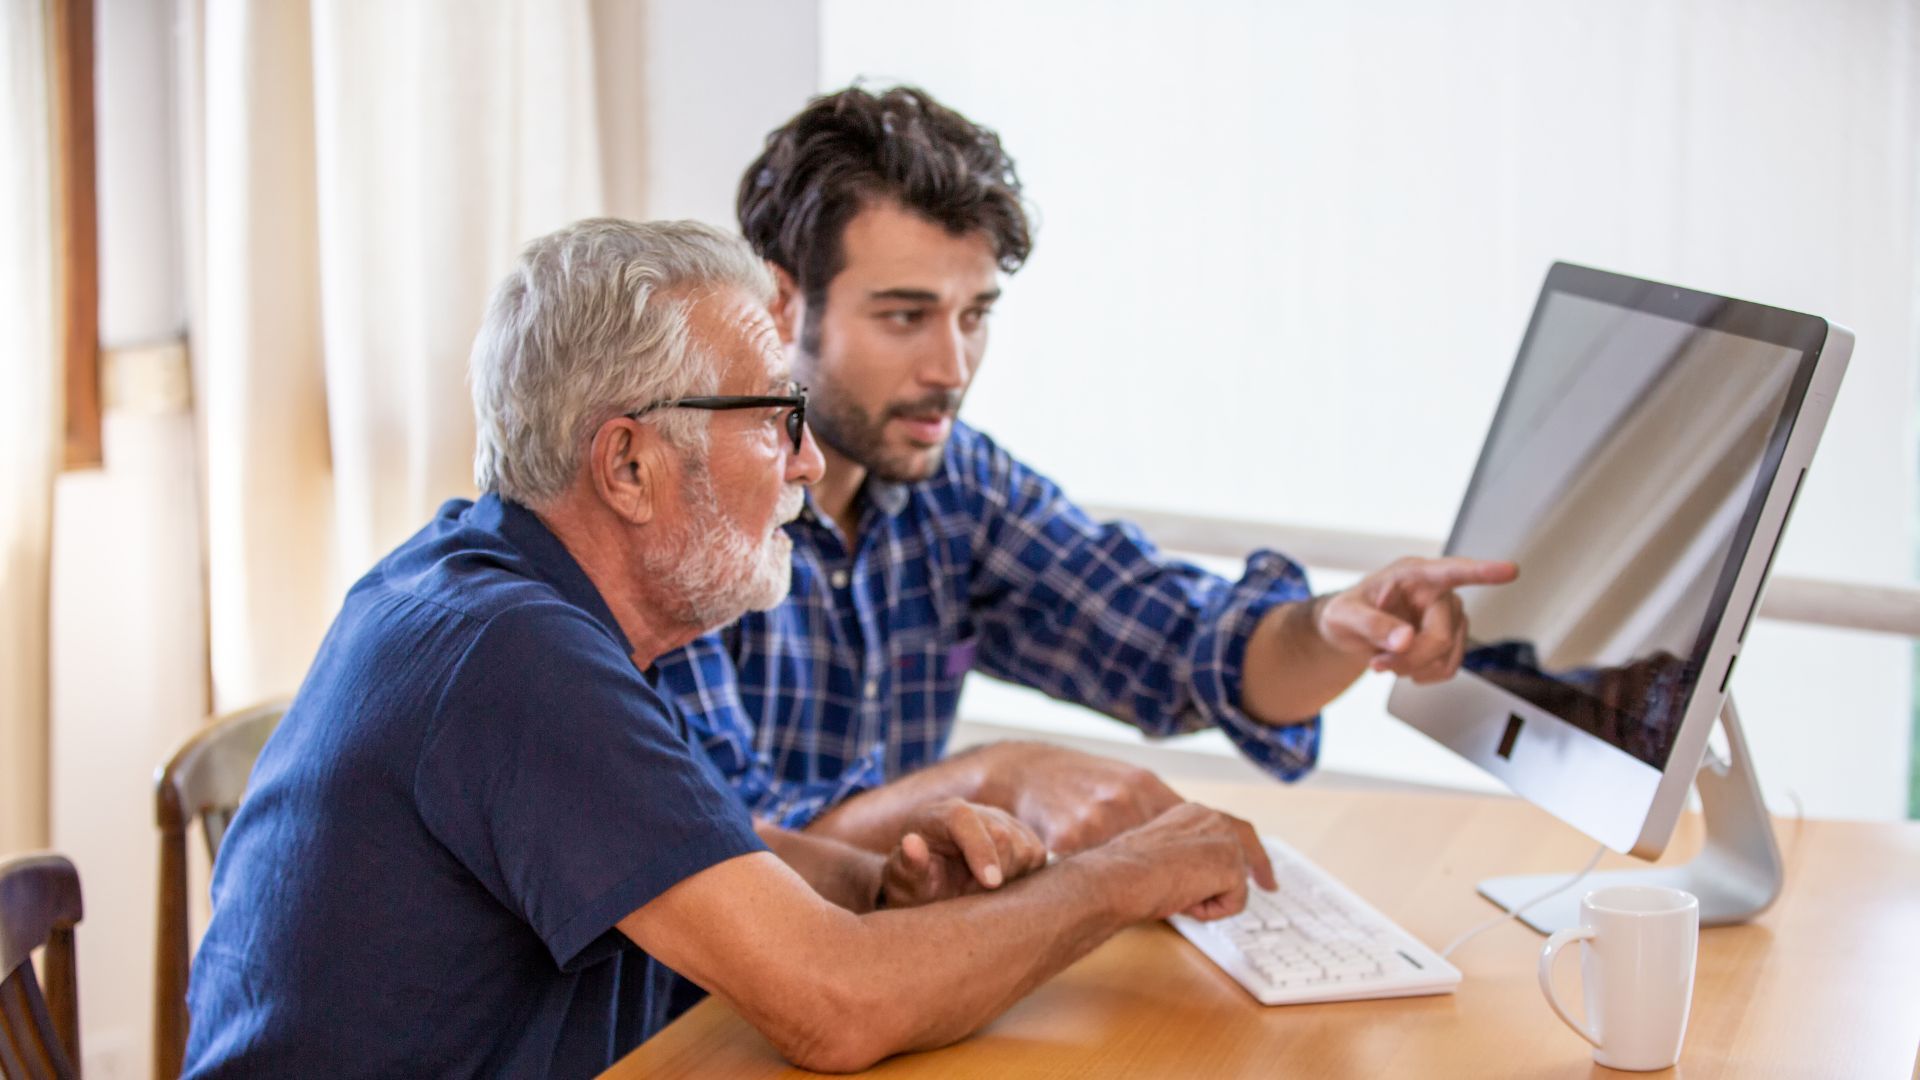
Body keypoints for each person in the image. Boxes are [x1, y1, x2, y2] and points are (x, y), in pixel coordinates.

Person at [182, 219, 1275, 1078]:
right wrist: (1126, 876)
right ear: (628, 466)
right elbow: (835, 1008)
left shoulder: (493, 586)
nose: (807, 465)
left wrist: (872, 883)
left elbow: (675, 849)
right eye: (772, 420)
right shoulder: (511, 656)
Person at [654, 85, 1516, 857]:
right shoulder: (680, 515)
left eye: (975, 315)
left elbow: (1187, 649)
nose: (952, 366)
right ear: (780, 301)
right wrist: (995, 779)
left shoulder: (955, 487)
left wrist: (1335, 625)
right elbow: (730, 847)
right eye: (906, 316)